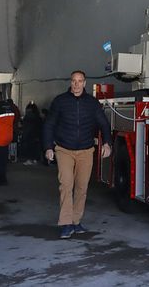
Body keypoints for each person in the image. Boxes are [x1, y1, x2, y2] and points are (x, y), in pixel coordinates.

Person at [43, 70, 112, 239]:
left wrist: (107, 143)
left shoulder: (92, 103)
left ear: (84, 83)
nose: (76, 84)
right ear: (70, 82)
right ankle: (66, 223)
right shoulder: (60, 101)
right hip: (64, 149)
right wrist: (48, 147)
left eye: (80, 81)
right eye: (74, 81)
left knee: (82, 187)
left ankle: (76, 221)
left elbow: (104, 124)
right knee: (66, 184)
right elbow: (49, 125)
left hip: (86, 151)